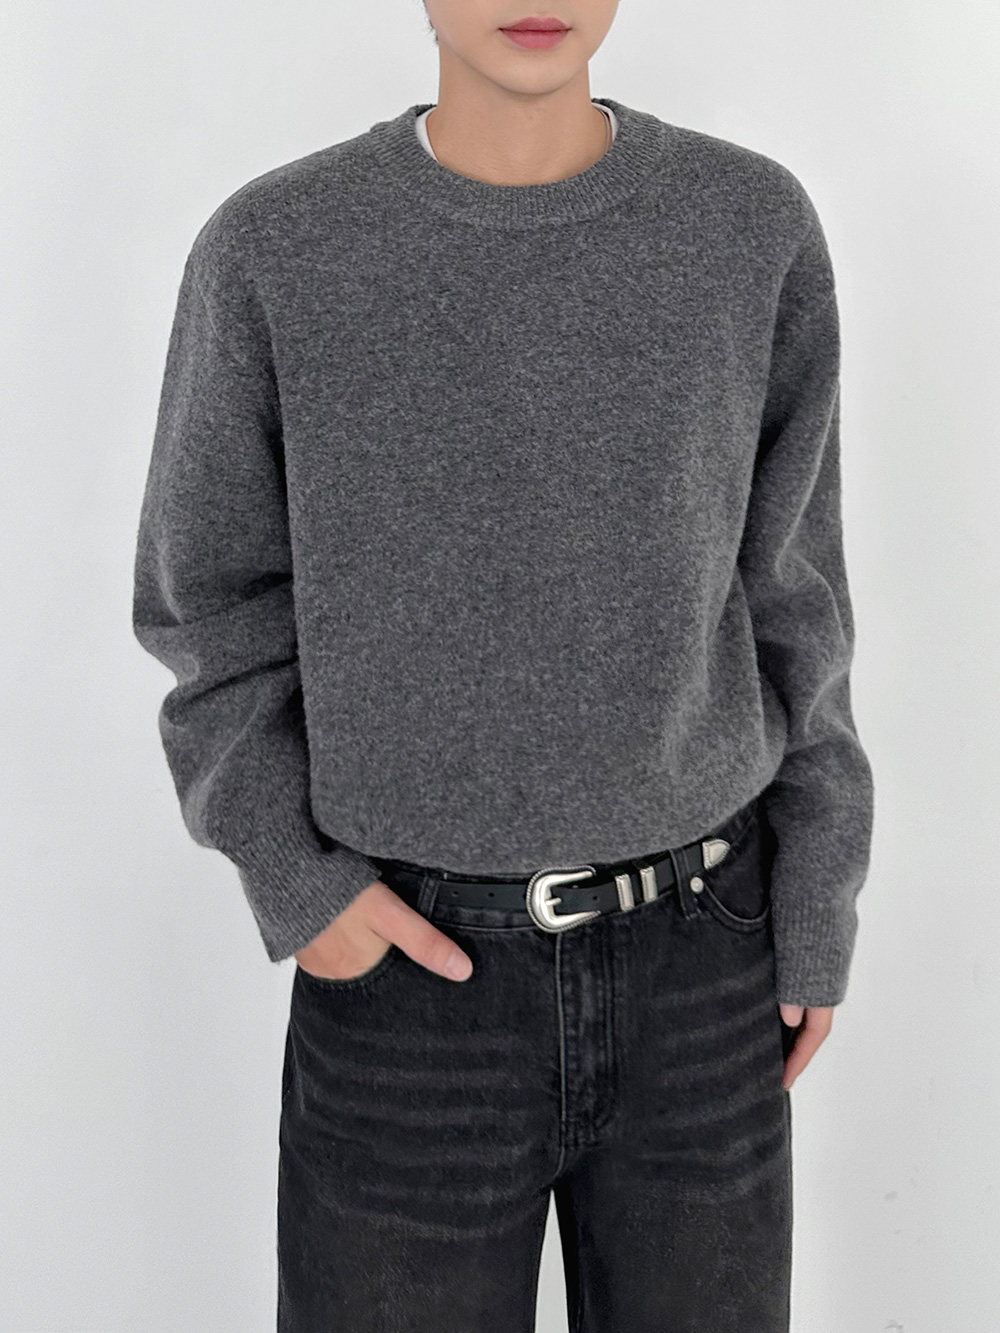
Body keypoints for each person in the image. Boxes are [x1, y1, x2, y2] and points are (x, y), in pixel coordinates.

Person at [131, 1, 875, 1328]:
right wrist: (300, 882)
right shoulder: (276, 249)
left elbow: (796, 595)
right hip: (408, 989)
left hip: (705, 972)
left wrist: (818, 893)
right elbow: (210, 612)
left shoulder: (747, 228)